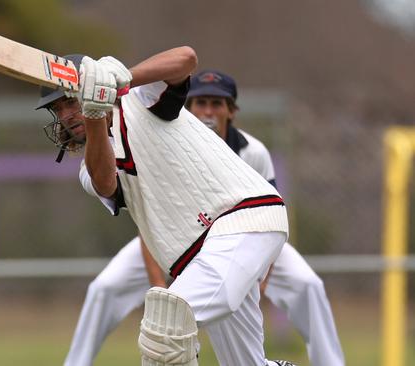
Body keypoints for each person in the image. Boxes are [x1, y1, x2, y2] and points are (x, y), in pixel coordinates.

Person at [54, 68, 346, 366]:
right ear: (190, 105)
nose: (65, 115)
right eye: (58, 109)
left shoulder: (151, 106)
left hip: (244, 224)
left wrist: (123, 76)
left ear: (231, 111)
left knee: (168, 324)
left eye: (216, 103)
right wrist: (94, 114)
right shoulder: (114, 153)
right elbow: (137, 210)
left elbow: (185, 58)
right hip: (196, 249)